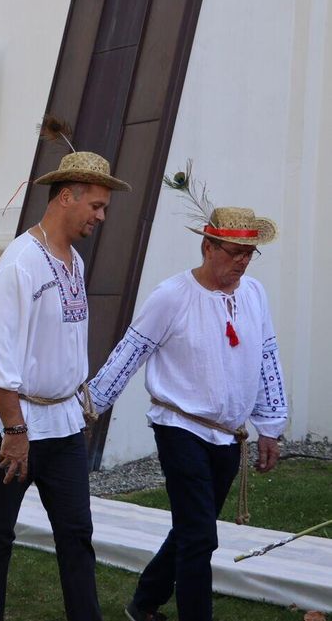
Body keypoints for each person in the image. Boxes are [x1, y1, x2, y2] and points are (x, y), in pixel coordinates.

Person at [89, 198, 287, 621]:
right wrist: (88, 407)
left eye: (249, 253)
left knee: (190, 529)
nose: (243, 263)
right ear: (208, 248)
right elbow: (130, 351)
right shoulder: (171, 296)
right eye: (234, 253)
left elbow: (266, 357)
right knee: (200, 536)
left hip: (228, 434)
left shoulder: (254, 294)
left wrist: (270, 427)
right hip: (180, 426)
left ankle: (142, 604)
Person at [0, 150, 130, 621]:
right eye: (95, 206)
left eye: (104, 210)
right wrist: (15, 433)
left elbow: (67, 348)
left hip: (63, 423)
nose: (100, 217)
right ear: (66, 197)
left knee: (77, 533)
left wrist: (79, 408)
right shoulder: (20, 262)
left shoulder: (73, 261)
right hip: (17, 428)